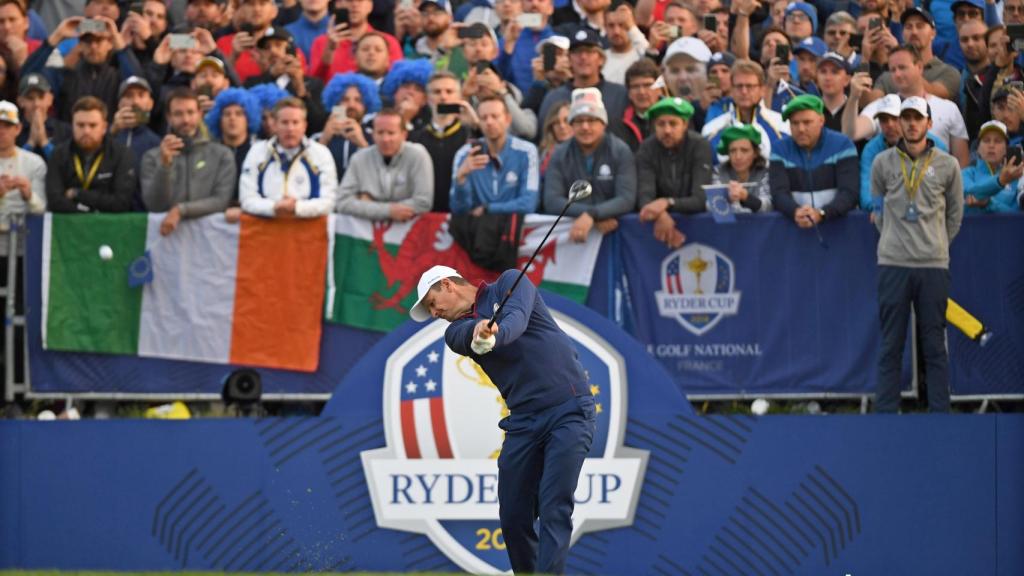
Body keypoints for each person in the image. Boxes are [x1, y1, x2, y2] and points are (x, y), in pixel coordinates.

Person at [407, 264, 596, 576]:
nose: (433, 313)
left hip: (569, 410)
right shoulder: (454, 333)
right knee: (513, 517)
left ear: (448, 285)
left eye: (431, 302)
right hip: (523, 423)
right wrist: (482, 337)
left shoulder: (509, 283)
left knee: (554, 506)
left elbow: (516, 321)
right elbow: (471, 338)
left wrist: (496, 334)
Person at [871, 96, 964, 413]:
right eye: (904, 117)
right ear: (897, 122)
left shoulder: (948, 164)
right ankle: (886, 412)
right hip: (893, 264)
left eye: (916, 118)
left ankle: (940, 413)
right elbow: (878, 210)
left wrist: (935, 244)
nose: (910, 123)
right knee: (890, 344)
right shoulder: (882, 162)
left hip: (932, 265)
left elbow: (955, 216)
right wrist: (894, 241)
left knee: (934, 344)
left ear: (928, 123)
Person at [846, 46, 971, 167]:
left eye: (902, 68)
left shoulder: (948, 108)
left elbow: (962, 162)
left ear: (920, 67)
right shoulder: (882, 106)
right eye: (893, 70)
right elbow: (852, 133)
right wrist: (853, 98)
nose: (897, 74)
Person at [543, 87, 636, 242]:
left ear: (603, 123)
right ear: (572, 125)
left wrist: (592, 215)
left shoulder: (620, 150)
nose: (585, 127)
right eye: (579, 121)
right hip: (574, 239)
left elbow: (626, 198)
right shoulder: (560, 154)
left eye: (592, 120)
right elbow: (552, 201)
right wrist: (593, 215)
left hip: (616, 235)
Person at [141, 88, 236, 235]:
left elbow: (221, 201)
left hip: (212, 241)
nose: (185, 120)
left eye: (190, 112)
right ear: (168, 117)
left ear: (200, 114)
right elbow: (154, 205)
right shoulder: (151, 157)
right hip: (165, 242)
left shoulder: (222, 155)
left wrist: (181, 210)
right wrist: (165, 166)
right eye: (178, 114)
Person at [22, 15, 143, 122]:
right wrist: (57, 35)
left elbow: (138, 82)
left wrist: (117, 38)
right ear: (79, 44)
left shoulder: (116, 76)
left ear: (110, 44)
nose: (93, 46)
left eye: (99, 40)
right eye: (87, 41)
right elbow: (28, 76)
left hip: (109, 140)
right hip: (69, 142)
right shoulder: (65, 75)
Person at [239, 96, 338, 217]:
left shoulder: (321, 153)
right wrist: (274, 207)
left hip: (309, 230)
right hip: (266, 230)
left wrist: (297, 208)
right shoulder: (257, 151)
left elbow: (329, 201)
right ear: (274, 125)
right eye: (285, 122)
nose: (290, 128)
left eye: (295, 122)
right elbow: (247, 199)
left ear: (304, 125)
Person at [769, 94, 858, 228]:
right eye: (794, 123)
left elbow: (849, 192)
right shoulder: (779, 149)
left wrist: (822, 214)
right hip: (795, 230)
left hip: (839, 229)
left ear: (821, 120)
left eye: (807, 122)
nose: (801, 129)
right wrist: (795, 212)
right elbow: (779, 193)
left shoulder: (843, 145)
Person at [636, 96, 712, 249]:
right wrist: (661, 215)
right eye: (661, 124)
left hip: (700, 229)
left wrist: (667, 203)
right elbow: (644, 196)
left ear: (684, 124)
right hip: (659, 230)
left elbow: (700, 199)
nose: (667, 130)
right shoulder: (646, 148)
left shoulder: (700, 145)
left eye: (673, 124)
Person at [336, 107, 434, 220]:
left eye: (391, 133)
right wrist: (388, 211)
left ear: (404, 135)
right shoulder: (359, 158)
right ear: (373, 134)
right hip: (367, 234)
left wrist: (367, 204)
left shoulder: (418, 155)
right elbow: (342, 202)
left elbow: (423, 202)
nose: (385, 139)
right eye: (380, 132)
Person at [858, 93, 949, 211]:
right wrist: (883, 208)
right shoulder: (871, 149)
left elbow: (947, 191)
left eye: (895, 118)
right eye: (884, 119)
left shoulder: (936, 145)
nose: (889, 125)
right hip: (889, 216)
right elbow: (866, 194)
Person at [45, 96, 136, 213]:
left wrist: (77, 194)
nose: (86, 131)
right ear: (72, 125)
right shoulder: (58, 154)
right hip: (68, 227)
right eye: (80, 125)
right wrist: (89, 209)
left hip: (111, 227)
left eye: (92, 125)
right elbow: (55, 201)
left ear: (104, 127)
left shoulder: (121, 154)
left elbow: (121, 203)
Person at [450, 96, 540, 214]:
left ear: (508, 119)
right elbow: (458, 210)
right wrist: (461, 180)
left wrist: (488, 209)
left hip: (514, 228)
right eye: (483, 118)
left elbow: (528, 204)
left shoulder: (527, 151)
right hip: (477, 229)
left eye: (495, 116)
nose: (489, 122)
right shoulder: (464, 154)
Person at [537, 27, 628, 133]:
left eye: (589, 51)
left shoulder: (619, 94)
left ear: (601, 59)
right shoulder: (554, 98)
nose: (583, 57)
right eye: (577, 52)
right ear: (569, 59)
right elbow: (545, 138)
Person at [702, 59, 790, 164]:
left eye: (750, 86)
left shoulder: (782, 126)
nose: (744, 92)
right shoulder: (711, 130)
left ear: (762, 90)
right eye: (739, 86)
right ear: (732, 90)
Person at [410, 71, 473, 212]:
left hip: (461, 214)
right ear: (427, 98)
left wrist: (475, 124)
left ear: (460, 97)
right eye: (437, 92)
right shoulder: (415, 138)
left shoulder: (469, 136)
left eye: (449, 92)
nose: (443, 97)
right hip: (424, 215)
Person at [308, 0, 403, 82]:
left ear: (370, 6)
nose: (355, 5)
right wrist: (329, 51)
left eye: (360, 0)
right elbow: (315, 85)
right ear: (338, 4)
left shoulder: (388, 42)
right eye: (349, 0)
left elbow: (397, 81)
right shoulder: (322, 43)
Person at [319, 72, 379, 180]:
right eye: (345, 100)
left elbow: (382, 171)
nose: (351, 105)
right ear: (336, 103)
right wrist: (324, 140)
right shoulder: (317, 138)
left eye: (358, 100)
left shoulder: (375, 136)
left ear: (366, 105)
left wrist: (362, 143)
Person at [0, 99, 45, 235]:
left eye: (7, 126)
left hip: (24, 245)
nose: (1, 132)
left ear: (18, 128)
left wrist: (29, 195)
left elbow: (43, 209)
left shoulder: (35, 163)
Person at [961, 120, 1023, 213]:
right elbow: (970, 192)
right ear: (978, 148)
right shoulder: (966, 173)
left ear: (1006, 148)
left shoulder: (1016, 177)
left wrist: (989, 204)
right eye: (986, 140)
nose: (991, 145)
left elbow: (1018, 217)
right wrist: (1000, 181)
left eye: (997, 141)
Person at [710, 124, 772, 213]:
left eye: (744, 150)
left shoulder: (764, 173)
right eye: (733, 151)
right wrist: (727, 197)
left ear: (755, 153)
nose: (738, 157)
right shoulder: (718, 172)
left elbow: (768, 206)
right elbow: (710, 205)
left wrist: (746, 197)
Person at [205, 86, 262, 178]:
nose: (232, 118)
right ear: (219, 120)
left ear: (248, 119)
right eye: (227, 114)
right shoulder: (209, 154)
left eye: (239, 114)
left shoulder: (260, 151)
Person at [110, 76, 161, 178]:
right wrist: (112, 131)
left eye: (141, 95)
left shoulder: (156, 142)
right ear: (119, 104)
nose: (135, 101)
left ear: (150, 104)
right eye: (129, 96)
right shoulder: (107, 136)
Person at [15, 72, 69, 160]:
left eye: (41, 97)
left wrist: (45, 143)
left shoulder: (64, 130)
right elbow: (10, 164)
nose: (36, 104)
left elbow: (66, 166)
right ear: (20, 101)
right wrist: (30, 143)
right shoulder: (12, 130)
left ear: (50, 99)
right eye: (30, 98)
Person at [538, 101, 571, 174]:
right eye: (556, 122)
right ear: (551, 127)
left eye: (566, 120)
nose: (562, 126)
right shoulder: (544, 154)